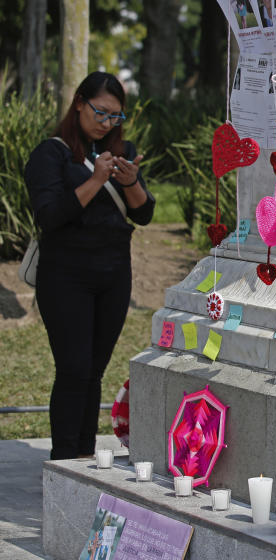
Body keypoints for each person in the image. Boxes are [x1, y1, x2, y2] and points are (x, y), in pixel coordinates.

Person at [24, 72, 155, 460]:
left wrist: (131, 181)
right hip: (66, 275)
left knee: (94, 371)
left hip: (113, 274)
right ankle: (64, 458)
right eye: (101, 112)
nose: (107, 123)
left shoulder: (122, 149)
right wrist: (96, 179)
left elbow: (144, 214)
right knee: (73, 369)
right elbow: (50, 216)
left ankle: (82, 458)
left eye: (116, 116)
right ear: (79, 102)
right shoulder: (52, 154)